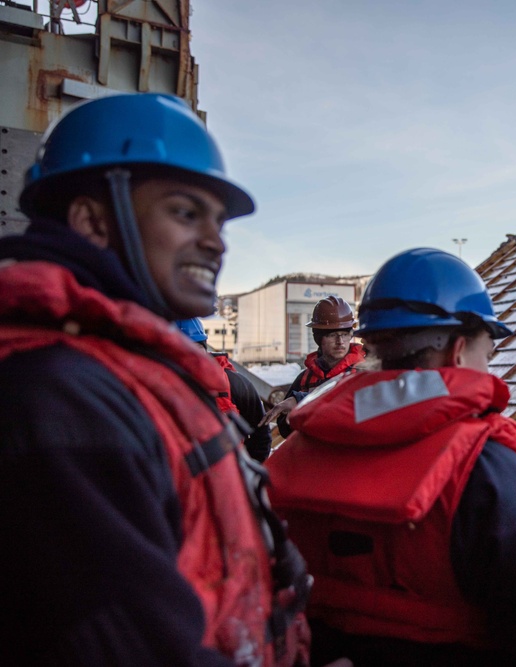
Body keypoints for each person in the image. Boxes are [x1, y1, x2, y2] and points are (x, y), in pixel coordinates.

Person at [0, 93, 310, 666]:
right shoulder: (60, 402)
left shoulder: (121, 374)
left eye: (218, 221)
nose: (217, 242)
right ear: (93, 220)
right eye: (186, 212)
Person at [265, 248, 516, 667]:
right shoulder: (486, 468)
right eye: (487, 354)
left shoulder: (292, 457)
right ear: (459, 350)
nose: (488, 369)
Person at [263, 295, 366, 438]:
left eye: (344, 334)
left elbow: (355, 408)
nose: (340, 342)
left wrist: (302, 402)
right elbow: (285, 429)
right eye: (332, 335)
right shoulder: (305, 379)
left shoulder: (364, 373)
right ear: (318, 338)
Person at [178, 317, 274, 463]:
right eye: (182, 352)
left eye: (196, 350)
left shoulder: (236, 385)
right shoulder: (156, 390)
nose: (192, 359)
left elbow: (261, 434)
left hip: (229, 478)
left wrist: (248, 474)